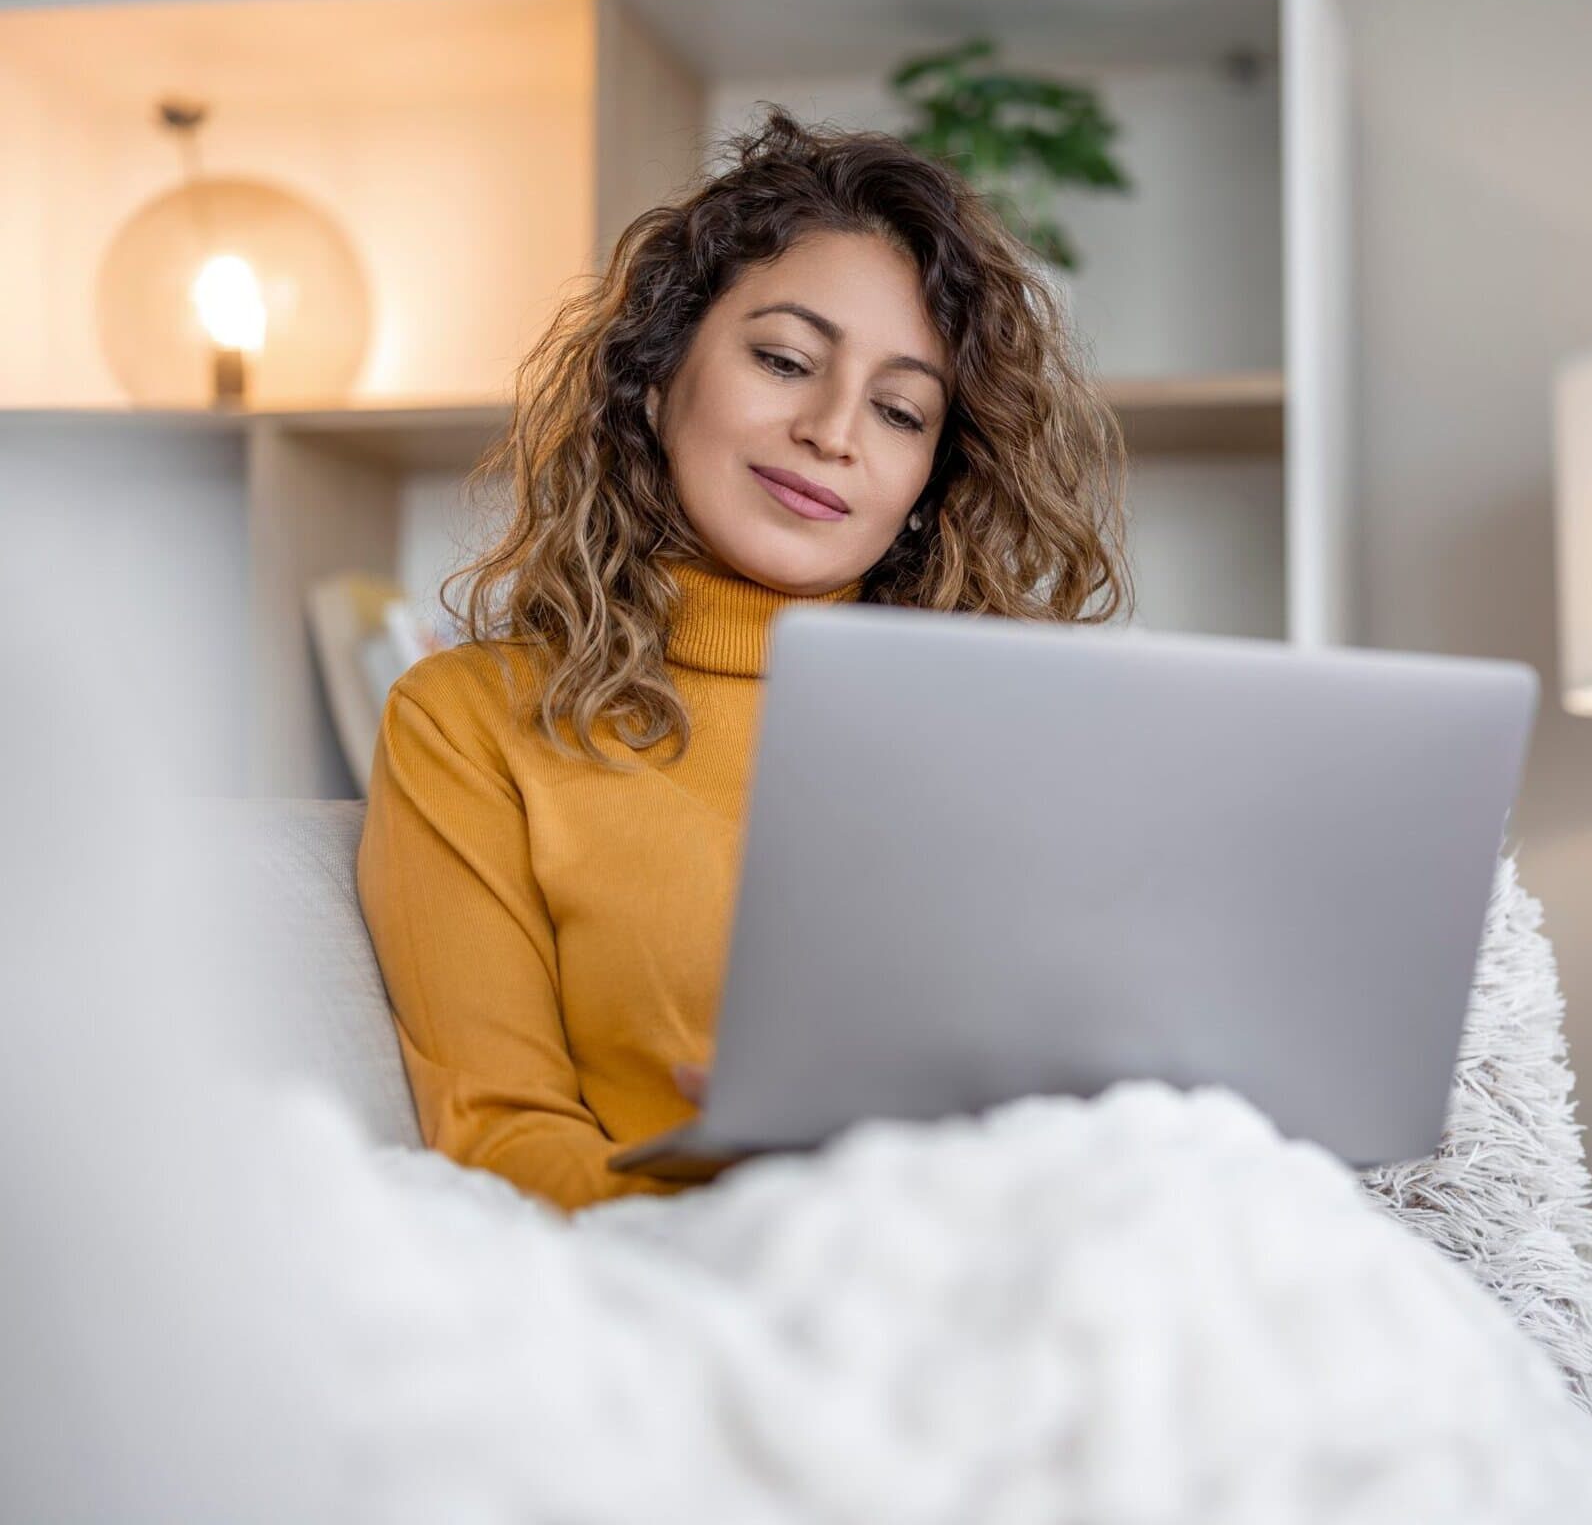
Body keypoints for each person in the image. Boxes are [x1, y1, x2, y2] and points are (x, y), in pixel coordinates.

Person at [355, 106, 1133, 1212]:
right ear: (655, 377)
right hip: (727, 1287)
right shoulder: (467, 722)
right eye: (783, 359)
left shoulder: (1009, 725)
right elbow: (498, 1134)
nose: (833, 429)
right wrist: (754, 1188)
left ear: (928, 483)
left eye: (901, 410)